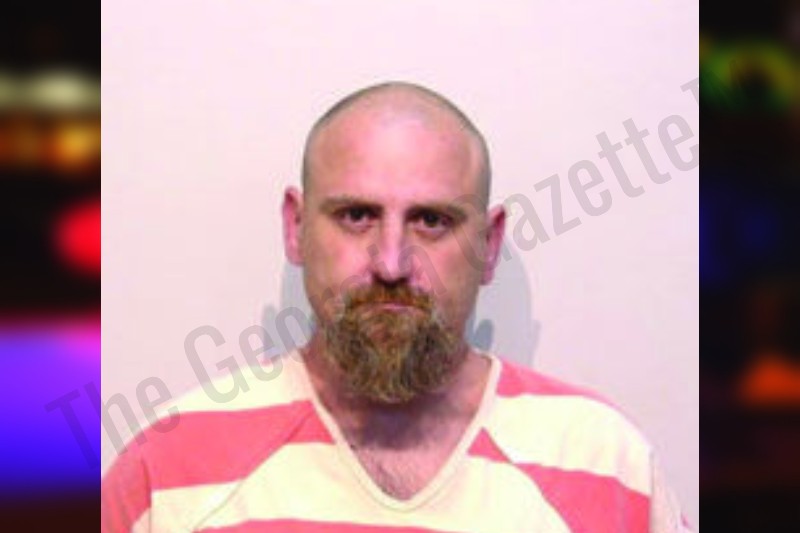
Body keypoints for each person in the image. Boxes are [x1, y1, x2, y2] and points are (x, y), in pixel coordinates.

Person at [102, 81, 691, 532]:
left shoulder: (606, 462)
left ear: (489, 245)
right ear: (295, 227)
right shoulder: (170, 468)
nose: (390, 263)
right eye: (356, 215)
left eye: (432, 220)